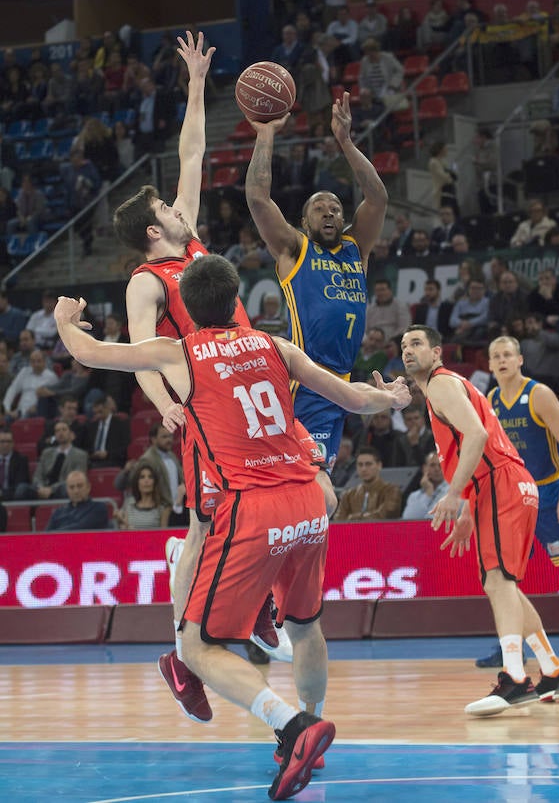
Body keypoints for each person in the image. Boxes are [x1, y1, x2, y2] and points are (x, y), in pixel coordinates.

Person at [52, 254, 411, 800]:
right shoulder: (273, 345)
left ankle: (294, 727)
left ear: (185, 309)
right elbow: (353, 398)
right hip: (310, 502)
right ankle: (309, 721)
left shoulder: (179, 353)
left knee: (196, 647)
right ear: (235, 297)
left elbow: (88, 352)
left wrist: (63, 322)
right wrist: (392, 397)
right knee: (306, 626)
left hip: (254, 507)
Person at [112, 32, 311, 720]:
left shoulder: (190, 237)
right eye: (164, 208)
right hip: (205, 406)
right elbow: (142, 352)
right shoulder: (145, 280)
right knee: (205, 527)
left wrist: (197, 82)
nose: (176, 204)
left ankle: (245, 613)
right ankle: (182, 649)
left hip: (246, 382)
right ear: (150, 233)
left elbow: (190, 152)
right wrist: (167, 405)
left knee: (277, 504)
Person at [398, 324, 559, 715]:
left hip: (499, 481)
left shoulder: (442, 384)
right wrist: (468, 503)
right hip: (508, 483)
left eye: (416, 344)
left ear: (438, 352)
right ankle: (553, 671)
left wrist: (454, 494)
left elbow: (476, 437)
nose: (407, 350)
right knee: (506, 585)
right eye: (403, 345)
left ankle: (514, 677)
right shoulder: (444, 387)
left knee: (498, 581)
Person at [244, 90, 388, 470]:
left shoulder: (357, 249)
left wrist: (346, 142)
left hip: (342, 382)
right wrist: (266, 134)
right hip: (306, 382)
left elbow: (377, 198)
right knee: (309, 477)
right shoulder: (296, 249)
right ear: (304, 222)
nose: (330, 213)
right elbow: (258, 199)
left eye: (336, 209)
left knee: (315, 478)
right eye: (319, 209)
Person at [473, 335, 559, 668]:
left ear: (519, 360)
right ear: (488, 364)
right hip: (513, 498)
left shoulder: (539, 395)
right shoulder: (491, 399)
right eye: (495, 356)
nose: (501, 360)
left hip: (547, 494)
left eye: (507, 355)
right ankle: (510, 646)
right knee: (503, 579)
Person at [14, 419, 88, 502]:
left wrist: (51, 489)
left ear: (72, 435)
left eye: (64, 429)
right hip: (42, 489)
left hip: (59, 490)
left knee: (66, 488)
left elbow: (76, 479)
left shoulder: (80, 455)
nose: (60, 433)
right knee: (22, 489)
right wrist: (41, 488)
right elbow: (38, 475)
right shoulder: (47, 453)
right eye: (57, 431)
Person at [333, 446, 402, 521]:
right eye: (360, 465)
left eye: (368, 464)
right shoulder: (348, 495)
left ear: (379, 465)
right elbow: (338, 520)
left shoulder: (392, 490)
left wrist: (352, 517)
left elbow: (385, 515)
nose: (364, 469)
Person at [114, 460, 171, 529]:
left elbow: (164, 535)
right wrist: (120, 521)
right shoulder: (129, 503)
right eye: (142, 477)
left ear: (155, 482)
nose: (146, 480)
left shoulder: (163, 507)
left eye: (150, 477)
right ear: (137, 482)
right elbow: (124, 529)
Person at [45, 470, 109, 532]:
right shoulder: (58, 512)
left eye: (80, 486)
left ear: (88, 487)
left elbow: (80, 529)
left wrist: (54, 534)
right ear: (67, 490)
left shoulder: (99, 508)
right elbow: (45, 536)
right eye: (71, 487)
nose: (76, 491)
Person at [3, 348, 58, 419]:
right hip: (19, 412)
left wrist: (38, 406)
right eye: (33, 361)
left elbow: (54, 398)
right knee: (7, 418)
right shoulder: (24, 372)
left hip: (37, 412)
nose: (36, 364)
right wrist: (7, 409)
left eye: (39, 361)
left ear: (44, 362)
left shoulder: (51, 377)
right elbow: (12, 390)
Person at [402, 451, 449, 520]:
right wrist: (428, 493)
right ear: (424, 468)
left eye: (440, 465)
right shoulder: (414, 496)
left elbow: (433, 519)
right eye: (432, 465)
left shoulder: (452, 492)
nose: (437, 469)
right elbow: (408, 519)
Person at [0, 428, 30, 508]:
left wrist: (2, 494)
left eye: (9, 441)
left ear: (13, 443)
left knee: (21, 488)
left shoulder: (21, 459)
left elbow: (20, 483)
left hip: (14, 496)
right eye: (2, 441)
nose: (5, 445)